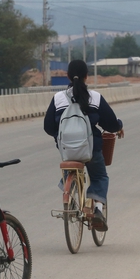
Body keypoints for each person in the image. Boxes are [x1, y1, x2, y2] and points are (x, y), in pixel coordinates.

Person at [44, 60, 124, 232]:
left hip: (68, 151)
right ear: (87, 76)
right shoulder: (95, 97)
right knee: (99, 177)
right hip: (92, 148)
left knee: (69, 169)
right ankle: (97, 210)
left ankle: (69, 191)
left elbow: (48, 127)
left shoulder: (58, 98)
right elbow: (110, 123)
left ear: (67, 76)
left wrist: (61, 138)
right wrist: (119, 126)